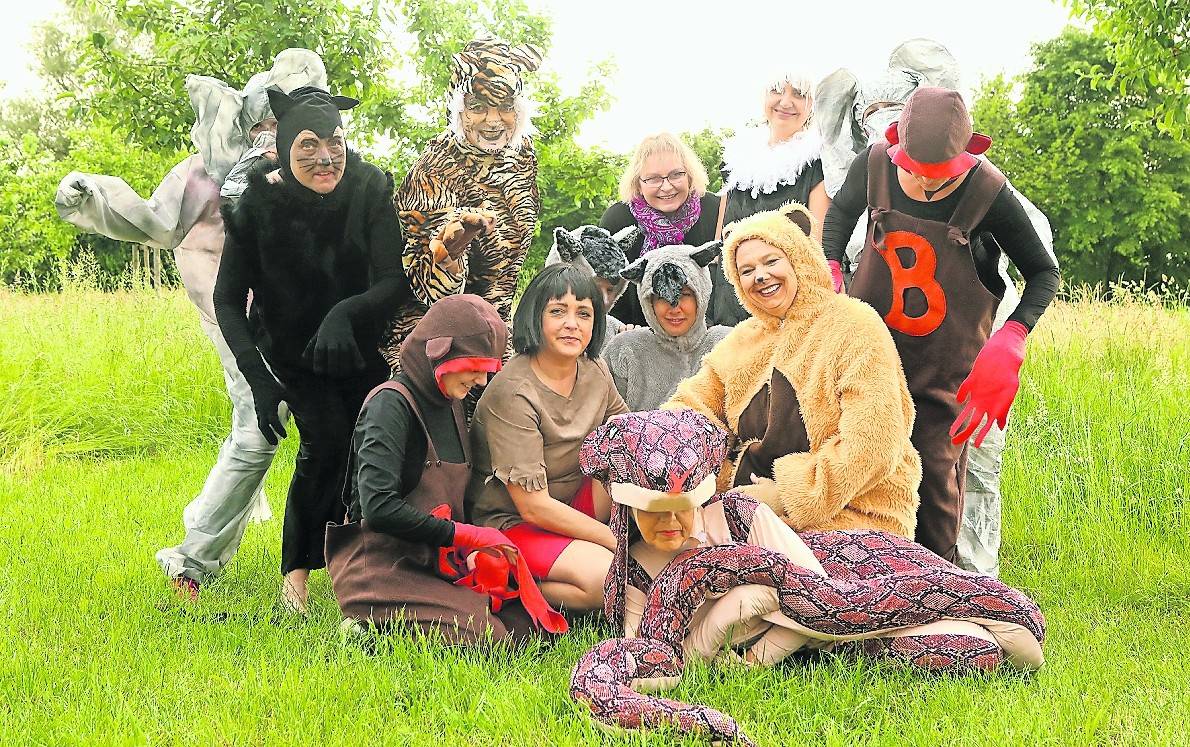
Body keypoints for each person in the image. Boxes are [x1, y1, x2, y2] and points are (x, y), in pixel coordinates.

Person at [570, 409, 1046, 745]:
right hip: (813, 626)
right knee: (970, 650)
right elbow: (655, 654)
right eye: (654, 513)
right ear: (627, 505)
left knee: (916, 592)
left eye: (682, 507)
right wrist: (722, 626)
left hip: (841, 572)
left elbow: (817, 589)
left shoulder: (740, 515)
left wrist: (759, 651)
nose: (670, 523)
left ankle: (992, 604)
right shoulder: (633, 570)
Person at [52, 49, 328, 599]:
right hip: (228, 309)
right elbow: (153, 222)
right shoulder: (208, 171)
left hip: (296, 318)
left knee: (297, 421)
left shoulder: (314, 164)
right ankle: (192, 561)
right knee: (259, 420)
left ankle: (351, 550)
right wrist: (94, 193)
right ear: (254, 117)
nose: (282, 129)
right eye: (273, 116)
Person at [815, 39, 1059, 575]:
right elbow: (838, 219)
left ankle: (944, 599)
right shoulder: (874, 164)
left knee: (939, 491)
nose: (924, 182)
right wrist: (832, 265)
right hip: (874, 356)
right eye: (915, 169)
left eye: (940, 173)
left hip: (944, 370)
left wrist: (1011, 339)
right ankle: (855, 587)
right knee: (858, 469)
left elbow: (1043, 271)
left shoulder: (989, 192)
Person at [213, 85, 411, 611]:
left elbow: (396, 279)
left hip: (359, 345)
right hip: (291, 351)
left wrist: (346, 313)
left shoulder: (369, 188)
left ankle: (365, 563)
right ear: (281, 145)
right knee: (323, 443)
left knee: (370, 450)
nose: (325, 156)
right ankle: (294, 581)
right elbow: (227, 300)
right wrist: (259, 381)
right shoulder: (257, 205)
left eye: (334, 141)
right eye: (307, 144)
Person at [666, 203, 921, 537]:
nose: (760, 275)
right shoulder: (743, 340)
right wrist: (665, 449)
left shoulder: (854, 324)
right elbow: (691, 407)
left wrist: (788, 495)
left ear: (799, 258)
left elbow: (873, 443)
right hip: (746, 511)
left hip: (855, 517)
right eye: (746, 270)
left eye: (771, 261)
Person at [325, 294, 565, 642]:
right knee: (489, 638)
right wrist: (464, 535)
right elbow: (378, 508)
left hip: (435, 561)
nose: (482, 381)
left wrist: (473, 552)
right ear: (439, 352)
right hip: (381, 566)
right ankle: (367, 629)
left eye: (488, 370)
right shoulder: (389, 406)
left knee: (529, 626)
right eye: (476, 366)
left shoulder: (450, 401)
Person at [466, 263, 628, 612]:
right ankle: (504, 575)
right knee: (609, 579)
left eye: (584, 313)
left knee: (633, 466)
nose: (572, 323)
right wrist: (614, 541)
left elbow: (629, 435)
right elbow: (533, 506)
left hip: (574, 503)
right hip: (515, 521)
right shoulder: (513, 392)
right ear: (535, 317)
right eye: (558, 311)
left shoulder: (594, 369)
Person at [382, 38, 543, 368]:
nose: (493, 121)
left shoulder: (522, 160)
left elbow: (506, 275)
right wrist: (450, 249)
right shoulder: (434, 166)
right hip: (431, 333)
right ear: (458, 109)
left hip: (494, 328)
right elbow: (425, 287)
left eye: (505, 107)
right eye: (479, 107)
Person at [711, 70, 831, 325]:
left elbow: (815, 251)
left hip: (786, 311)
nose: (786, 102)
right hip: (729, 305)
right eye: (777, 91)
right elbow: (719, 242)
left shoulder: (819, 163)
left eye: (798, 94)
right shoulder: (737, 159)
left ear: (812, 104)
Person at [599, 133, 720, 328]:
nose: (666, 186)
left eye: (676, 175)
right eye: (654, 179)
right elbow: (604, 289)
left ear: (689, 175)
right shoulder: (618, 220)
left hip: (708, 336)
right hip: (636, 336)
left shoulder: (716, 211)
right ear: (638, 182)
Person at [603, 240, 731, 411]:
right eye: (662, 297)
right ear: (648, 302)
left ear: (702, 293)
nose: (674, 309)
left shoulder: (726, 344)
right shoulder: (625, 350)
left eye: (684, 294)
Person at [543, 224, 637, 340]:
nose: (605, 300)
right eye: (595, 288)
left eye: (610, 290)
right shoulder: (538, 330)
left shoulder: (616, 331)